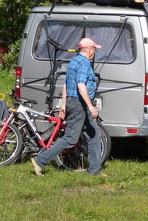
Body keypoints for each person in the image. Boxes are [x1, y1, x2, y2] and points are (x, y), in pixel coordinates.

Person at [30, 37, 105, 176]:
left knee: (94, 134)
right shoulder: (83, 63)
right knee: (71, 138)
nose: (95, 51)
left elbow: (65, 84)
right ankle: (40, 160)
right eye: (94, 49)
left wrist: (64, 105)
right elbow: (80, 85)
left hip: (73, 102)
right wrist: (91, 106)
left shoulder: (74, 61)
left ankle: (94, 170)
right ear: (89, 49)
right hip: (79, 104)